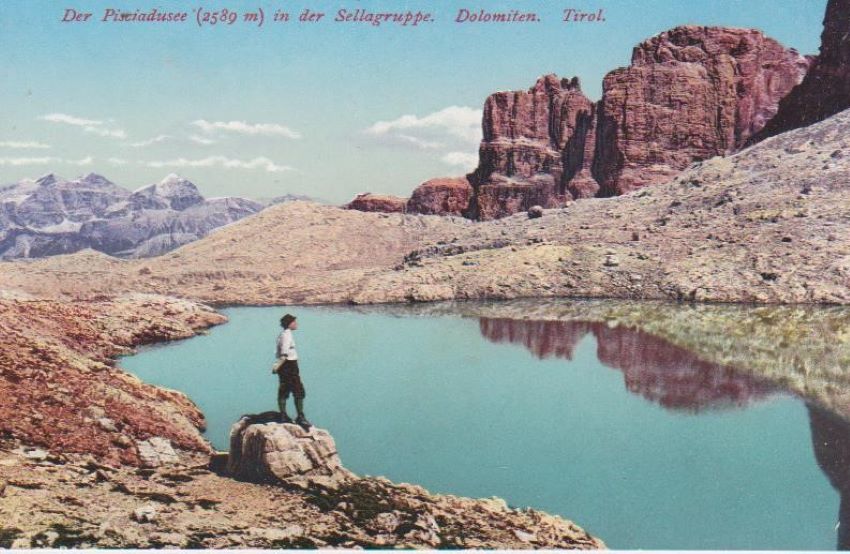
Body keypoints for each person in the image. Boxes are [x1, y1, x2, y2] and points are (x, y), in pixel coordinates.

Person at [273, 313, 311, 429]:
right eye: (294, 322)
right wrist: (277, 365)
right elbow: (284, 353)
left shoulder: (283, 334)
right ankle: (300, 416)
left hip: (286, 366)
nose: (296, 324)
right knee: (298, 391)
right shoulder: (287, 335)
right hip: (289, 365)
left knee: (284, 389)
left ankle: (283, 415)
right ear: (289, 324)